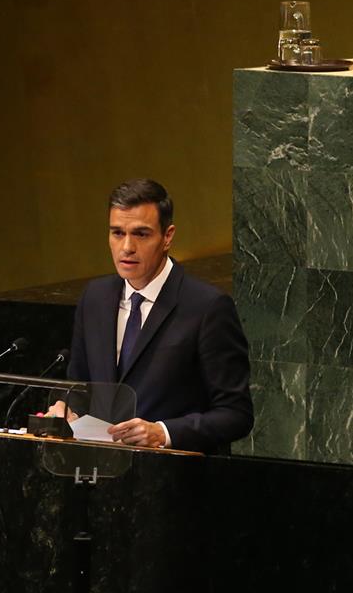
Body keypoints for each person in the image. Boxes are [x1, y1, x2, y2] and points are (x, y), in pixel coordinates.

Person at [49, 179, 252, 454]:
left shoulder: (207, 307)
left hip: (172, 480)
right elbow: (78, 386)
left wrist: (163, 432)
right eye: (117, 233)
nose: (127, 247)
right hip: (98, 474)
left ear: (167, 236)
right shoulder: (94, 298)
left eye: (141, 234)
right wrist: (65, 407)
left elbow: (236, 414)